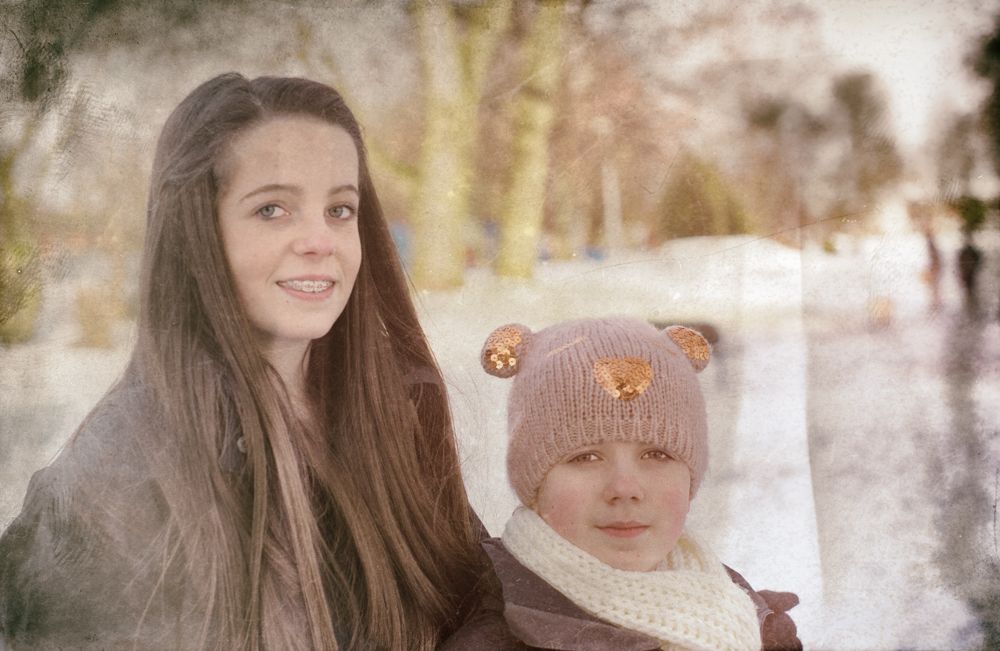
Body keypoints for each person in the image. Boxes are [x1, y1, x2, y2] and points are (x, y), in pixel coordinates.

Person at [0, 73, 485, 650]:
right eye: (272, 209)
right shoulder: (115, 480)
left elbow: (473, 602)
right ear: (197, 233)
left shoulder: (394, 413)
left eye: (339, 209)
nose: (319, 241)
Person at [443, 317, 802, 650]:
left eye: (657, 455)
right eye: (585, 457)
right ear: (535, 487)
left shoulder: (730, 605)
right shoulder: (502, 634)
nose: (625, 487)